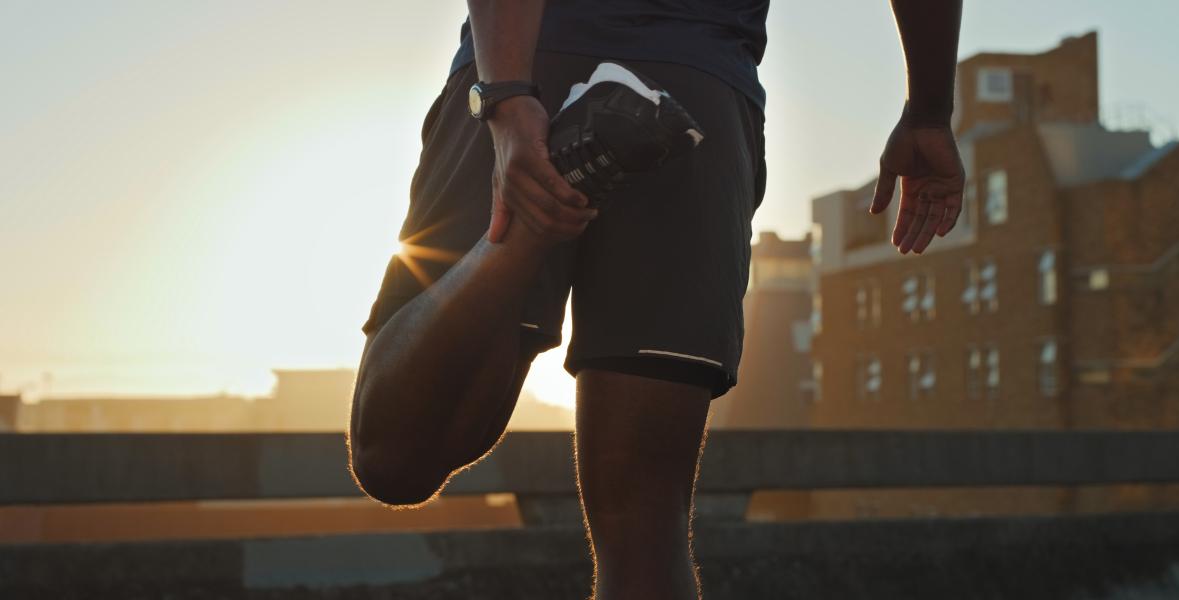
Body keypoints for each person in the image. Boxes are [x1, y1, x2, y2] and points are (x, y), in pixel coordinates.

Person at [346, 1, 965, 598]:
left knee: (393, 457)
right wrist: (930, 110)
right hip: (694, 99)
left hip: (530, 56)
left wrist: (507, 95)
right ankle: (548, 199)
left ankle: (521, 227)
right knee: (647, 525)